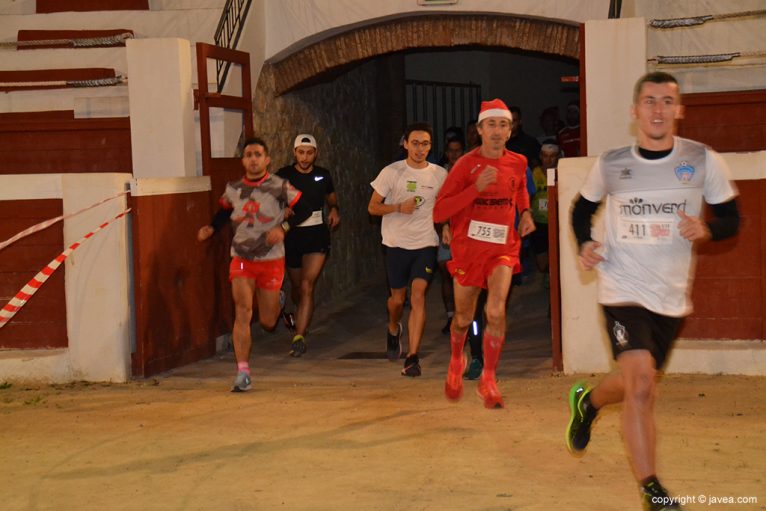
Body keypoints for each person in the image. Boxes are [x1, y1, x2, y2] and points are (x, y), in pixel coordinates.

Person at [566, 72, 740, 511]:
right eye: (649, 101)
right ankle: (652, 490)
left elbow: (731, 219)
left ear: (679, 110)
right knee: (642, 385)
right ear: (634, 111)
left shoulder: (703, 160)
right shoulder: (612, 162)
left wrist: (709, 228)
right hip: (621, 286)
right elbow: (582, 207)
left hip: (671, 297)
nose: (658, 109)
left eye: (666, 101)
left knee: (632, 382)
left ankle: (588, 403)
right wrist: (586, 242)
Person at [434, 99, 535, 408]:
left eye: (502, 125)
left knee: (495, 311)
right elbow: (440, 210)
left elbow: (519, 190)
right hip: (468, 250)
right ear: (479, 130)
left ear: (510, 129)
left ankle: (488, 378)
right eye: (490, 125)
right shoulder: (465, 165)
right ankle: (455, 361)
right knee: (463, 318)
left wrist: (526, 212)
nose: (497, 131)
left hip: (503, 248)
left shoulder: (518, 161)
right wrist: (475, 188)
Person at [198, 137, 312, 392]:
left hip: (271, 259)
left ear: (267, 159)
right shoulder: (233, 188)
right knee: (243, 311)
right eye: (248, 154)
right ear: (243, 161)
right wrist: (211, 228)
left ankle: (278, 301)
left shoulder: (280, 186)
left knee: (269, 322)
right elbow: (224, 212)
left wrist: (283, 228)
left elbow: (304, 210)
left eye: (258, 154)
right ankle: (242, 372)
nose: (253, 159)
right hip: (241, 257)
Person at [368, 122, 447, 377]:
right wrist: (397, 208)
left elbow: (446, 206)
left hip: (425, 243)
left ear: (430, 146)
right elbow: (372, 207)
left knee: (418, 295)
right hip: (395, 244)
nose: (419, 148)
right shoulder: (391, 172)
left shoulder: (439, 174)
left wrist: (446, 225)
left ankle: (412, 357)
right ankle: (393, 328)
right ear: (405, 144)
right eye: (415, 143)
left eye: (425, 144)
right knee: (397, 301)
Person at [276, 134, 340, 357]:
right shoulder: (283, 175)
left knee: (306, 285)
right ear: (294, 152)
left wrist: (334, 209)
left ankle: (299, 336)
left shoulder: (323, 175)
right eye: (301, 152)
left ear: (315, 153)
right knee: (297, 286)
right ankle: (297, 309)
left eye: (309, 152)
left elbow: (331, 198)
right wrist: (280, 209)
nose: (305, 157)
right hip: (292, 235)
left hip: (316, 235)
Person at [530, 140, 561, 286]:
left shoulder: (563, 172)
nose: (548, 160)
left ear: (558, 157)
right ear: (540, 156)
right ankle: (548, 271)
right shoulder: (534, 174)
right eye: (545, 156)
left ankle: (553, 278)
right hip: (539, 223)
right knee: (542, 263)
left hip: (556, 222)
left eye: (552, 156)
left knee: (557, 255)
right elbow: (527, 196)